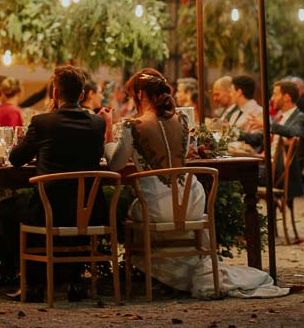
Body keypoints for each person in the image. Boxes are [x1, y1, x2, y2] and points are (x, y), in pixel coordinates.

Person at [102, 69, 287, 299]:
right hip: (191, 203)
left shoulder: (132, 126)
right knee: (154, 207)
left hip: (156, 210)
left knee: (128, 213)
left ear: (140, 94)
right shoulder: (182, 120)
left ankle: (145, 277)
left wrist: (109, 132)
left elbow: (116, 164)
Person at [4, 66, 107, 302]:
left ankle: (33, 283)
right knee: (74, 207)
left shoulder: (42, 122)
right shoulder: (97, 124)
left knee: (6, 209)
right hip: (88, 211)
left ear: (55, 93)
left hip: (47, 210)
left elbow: (16, 159)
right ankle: (74, 280)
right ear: (82, 95)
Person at [242, 80, 304, 197]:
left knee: (237, 176)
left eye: (275, 94)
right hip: (264, 163)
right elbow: (261, 138)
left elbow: (295, 133)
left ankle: (248, 212)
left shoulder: (300, 117)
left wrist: (268, 125)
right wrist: (236, 134)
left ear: (287, 97)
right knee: (236, 169)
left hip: (276, 171)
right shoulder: (279, 116)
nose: (272, 98)